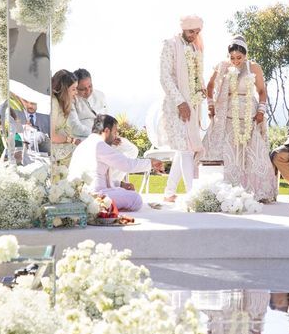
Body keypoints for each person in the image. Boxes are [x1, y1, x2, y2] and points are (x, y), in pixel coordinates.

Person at [202, 36, 276, 202]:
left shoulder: (254, 68)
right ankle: (227, 191)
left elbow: (262, 91)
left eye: (239, 58)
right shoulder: (222, 67)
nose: (235, 61)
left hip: (250, 115)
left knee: (253, 154)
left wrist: (261, 111)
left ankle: (257, 191)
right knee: (229, 153)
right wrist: (210, 105)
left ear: (245, 55)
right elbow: (210, 86)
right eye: (232, 57)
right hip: (228, 115)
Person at [68, 114, 164, 212]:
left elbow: (96, 177)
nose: (115, 136)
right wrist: (151, 163)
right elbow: (127, 164)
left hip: (79, 196)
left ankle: (111, 205)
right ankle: (107, 207)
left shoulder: (83, 145)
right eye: (114, 132)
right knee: (136, 199)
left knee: (123, 191)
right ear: (106, 131)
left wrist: (120, 184)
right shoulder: (99, 145)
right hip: (94, 197)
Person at [157, 15, 205, 202]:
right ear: (183, 29)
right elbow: (165, 77)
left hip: (192, 104)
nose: (194, 35)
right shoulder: (170, 45)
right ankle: (193, 195)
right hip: (176, 105)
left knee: (183, 149)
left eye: (197, 32)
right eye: (191, 31)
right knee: (185, 148)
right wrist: (180, 102)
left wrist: (200, 89)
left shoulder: (195, 46)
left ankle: (169, 192)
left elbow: (197, 74)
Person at [51, 69, 81, 166]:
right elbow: (52, 137)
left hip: (61, 143)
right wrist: (72, 140)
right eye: (73, 89)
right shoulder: (53, 103)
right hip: (52, 146)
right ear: (64, 89)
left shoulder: (63, 102)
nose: (76, 92)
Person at [68, 68, 107, 138]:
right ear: (75, 87)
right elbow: (74, 126)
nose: (88, 91)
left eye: (90, 86)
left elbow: (106, 119)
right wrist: (95, 134)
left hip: (103, 135)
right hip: (82, 137)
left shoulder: (101, 95)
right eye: (83, 89)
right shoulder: (71, 100)